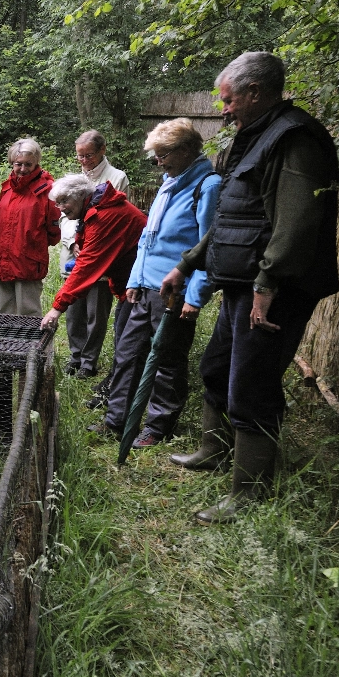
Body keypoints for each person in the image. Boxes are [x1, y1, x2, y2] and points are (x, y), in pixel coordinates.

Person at [160, 51, 339, 525]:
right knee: (217, 367)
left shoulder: (295, 140)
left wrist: (269, 280)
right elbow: (230, 217)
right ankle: (213, 451)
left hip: (273, 288)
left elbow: (297, 221)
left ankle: (250, 492)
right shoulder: (251, 138)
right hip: (242, 283)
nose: (224, 108)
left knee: (253, 384)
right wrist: (187, 263)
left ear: (255, 92)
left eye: (229, 99)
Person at [92, 119, 221, 448]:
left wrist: (196, 295)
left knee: (167, 359)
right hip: (144, 287)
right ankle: (117, 418)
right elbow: (148, 239)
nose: (158, 161)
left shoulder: (207, 186)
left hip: (176, 291)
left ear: (187, 150)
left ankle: (157, 425)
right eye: (156, 155)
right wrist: (135, 278)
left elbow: (211, 245)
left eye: (163, 154)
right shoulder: (168, 182)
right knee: (127, 353)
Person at [39, 175, 147, 380]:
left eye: (64, 201)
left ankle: (118, 388)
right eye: (57, 202)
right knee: (123, 333)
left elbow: (86, 267)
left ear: (81, 196)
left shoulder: (105, 216)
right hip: (131, 284)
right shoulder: (94, 209)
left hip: (143, 284)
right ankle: (116, 383)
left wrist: (56, 309)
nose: (60, 207)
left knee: (128, 340)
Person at [60, 130, 130, 377]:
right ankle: (75, 356)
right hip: (74, 254)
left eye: (88, 155)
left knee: (95, 313)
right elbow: (63, 215)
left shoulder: (117, 178)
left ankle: (89, 362)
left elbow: (116, 220)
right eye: (80, 156)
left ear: (103, 150)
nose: (84, 161)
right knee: (73, 311)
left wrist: (89, 244)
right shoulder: (73, 178)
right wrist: (72, 243)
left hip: (100, 255)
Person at [0, 139, 60, 316]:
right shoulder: (7, 187)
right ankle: (6, 345)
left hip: (29, 261)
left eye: (28, 164)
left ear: (36, 162)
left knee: (29, 313)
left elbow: (54, 229)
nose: (23, 169)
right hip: (3, 259)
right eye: (18, 164)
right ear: (12, 163)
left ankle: (34, 345)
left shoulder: (47, 189)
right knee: (5, 313)